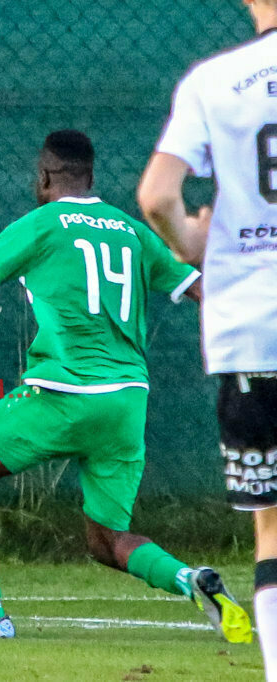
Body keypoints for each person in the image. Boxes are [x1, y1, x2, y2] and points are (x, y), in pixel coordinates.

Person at [0, 130, 251, 641]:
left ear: (43, 177)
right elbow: (203, 290)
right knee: (107, 539)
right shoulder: (132, 230)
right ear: (92, 177)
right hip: (126, 401)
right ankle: (192, 579)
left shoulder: (40, 225)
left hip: (64, 392)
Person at [138, 0, 277, 671]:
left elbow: (158, 196)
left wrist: (193, 240)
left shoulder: (216, 81)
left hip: (255, 328)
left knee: (272, 522)